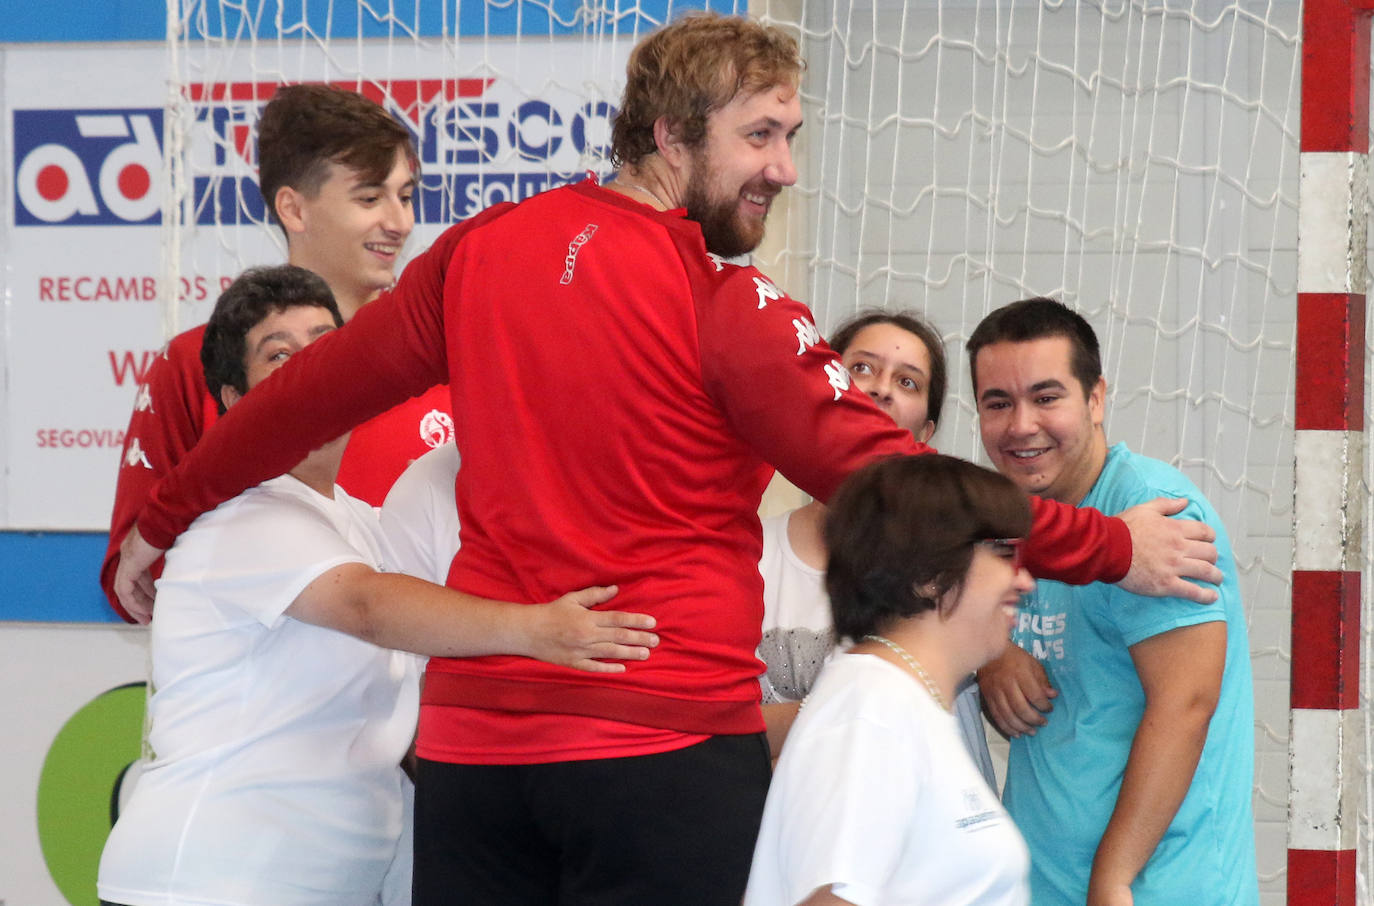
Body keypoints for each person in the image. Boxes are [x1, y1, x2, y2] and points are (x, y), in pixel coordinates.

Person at [113, 15, 1223, 905]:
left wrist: (166, 513)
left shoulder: (479, 256)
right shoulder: (724, 302)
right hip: (658, 755)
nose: (784, 168)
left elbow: (297, 400)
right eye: (761, 136)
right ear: (671, 138)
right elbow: (893, 481)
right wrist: (1111, 544)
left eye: (792, 136)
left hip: (473, 771)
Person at [96, 266, 657, 906]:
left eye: (327, 346)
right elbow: (367, 607)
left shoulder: (361, 524)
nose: (313, 370)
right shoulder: (243, 517)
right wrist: (538, 628)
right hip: (209, 881)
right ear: (232, 400)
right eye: (280, 355)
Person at [101, 83, 453, 622]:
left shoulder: (448, 356)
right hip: (270, 691)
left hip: (437, 685)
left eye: (404, 196)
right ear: (293, 208)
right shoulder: (194, 360)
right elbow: (134, 584)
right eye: (369, 197)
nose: (399, 222)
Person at [970, 298, 1257, 905]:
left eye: (1047, 397)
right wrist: (990, 655)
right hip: (1043, 884)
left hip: (1154, 889)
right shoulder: (1007, 521)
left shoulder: (1159, 512)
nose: (1022, 424)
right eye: (998, 403)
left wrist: (1113, 878)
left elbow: (1187, 703)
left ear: (1096, 399)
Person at [746, 454, 1033, 906]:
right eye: (1000, 552)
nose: (1025, 581)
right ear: (930, 576)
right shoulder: (869, 712)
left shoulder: (901, 704)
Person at [757, 309, 992, 783]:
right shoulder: (752, 552)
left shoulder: (957, 565)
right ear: (820, 389)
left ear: (924, 437)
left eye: (908, 382)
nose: (882, 388)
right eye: (861, 368)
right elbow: (723, 732)